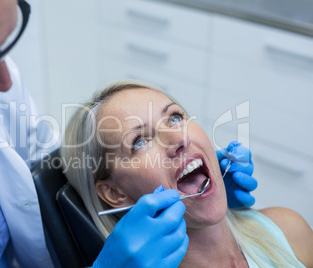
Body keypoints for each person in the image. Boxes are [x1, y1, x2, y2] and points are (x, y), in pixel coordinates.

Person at [0, 0, 257, 267]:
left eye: (175, 117)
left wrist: (205, 192)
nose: (4, 82)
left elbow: (50, 175)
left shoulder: (284, 229)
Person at [61, 80, 313, 267]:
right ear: (115, 193)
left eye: (174, 117)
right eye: (140, 142)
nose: (179, 138)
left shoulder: (288, 230)